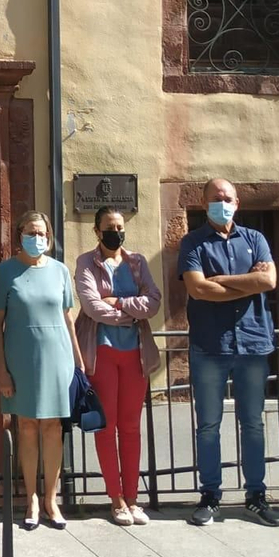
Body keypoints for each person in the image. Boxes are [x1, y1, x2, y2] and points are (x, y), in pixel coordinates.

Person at [177, 178, 279, 527]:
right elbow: (198, 289)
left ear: (237, 203)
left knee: (252, 423)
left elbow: (268, 282)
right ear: (204, 203)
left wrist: (221, 280)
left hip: (253, 343)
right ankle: (210, 495)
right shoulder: (192, 242)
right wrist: (244, 282)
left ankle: (256, 495)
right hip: (209, 345)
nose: (223, 203)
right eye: (216, 198)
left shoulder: (256, 239)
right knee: (208, 425)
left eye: (228, 198)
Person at [0, 210, 83, 530]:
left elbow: (68, 318)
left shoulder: (60, 270)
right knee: (27, 425)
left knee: (53, 427)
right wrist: (1, 370)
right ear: (20, 234)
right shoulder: (5, 272)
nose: (37, 238)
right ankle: (30, 497)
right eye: (31, 232)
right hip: (21, 358)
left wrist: (79, 364)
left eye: (42, 233)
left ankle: (50, 498)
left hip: (58, 358)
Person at [74, 206, 161, 526]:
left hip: (136, 353)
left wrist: (120, 303)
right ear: (97, 231)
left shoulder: (137, 262)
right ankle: (116, 498)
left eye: (120, 226)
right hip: (102, 352)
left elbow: (153, 301)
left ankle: (134, 497)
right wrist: (131, 312)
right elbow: (92, 306)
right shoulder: (86, 262)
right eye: (109, 227)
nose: (116, 232)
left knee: (131, 427)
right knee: (106, 426)